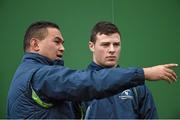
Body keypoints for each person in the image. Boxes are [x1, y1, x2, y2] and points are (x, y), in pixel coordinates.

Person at [7, 21, 177, 119]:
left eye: (116, 44)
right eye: (57, 42)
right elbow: (90, 82)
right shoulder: (42, 75)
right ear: (35, 44)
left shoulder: (137, 88)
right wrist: (144, 73)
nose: (62, 48)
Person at [81, 21, 176, 119]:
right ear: (91, 46)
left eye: (116, 44)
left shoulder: (136, 86)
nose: (112, 50)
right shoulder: (80, 85)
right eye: (105, 44)